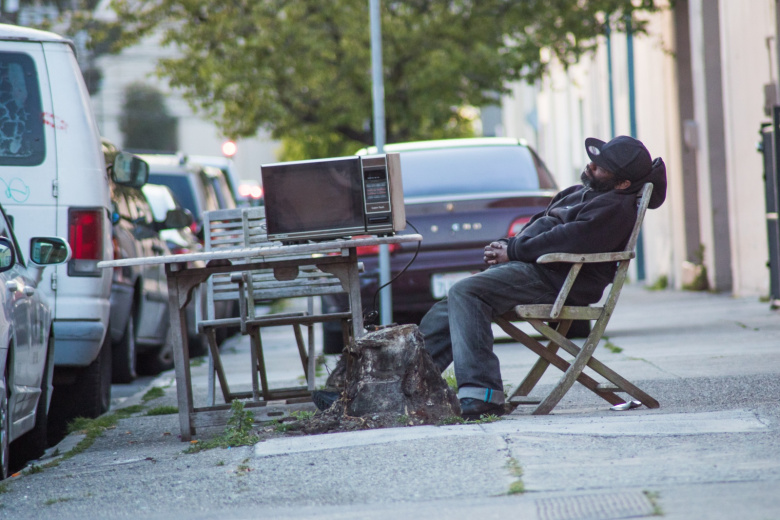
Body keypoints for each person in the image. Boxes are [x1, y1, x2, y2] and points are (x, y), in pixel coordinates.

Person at [419, 135, 667, 420]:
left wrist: (513, 250)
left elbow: (570, 239)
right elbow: (536, 225)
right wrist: (506, 244)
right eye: (594, 161)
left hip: (560, 281)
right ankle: (415, 383)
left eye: (600, 168)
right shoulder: (576, 193)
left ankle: (482, 395)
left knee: (466, 292)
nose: (591, 166)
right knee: (455, 299)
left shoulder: (614, 207)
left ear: (622, 183)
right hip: (537, 270)